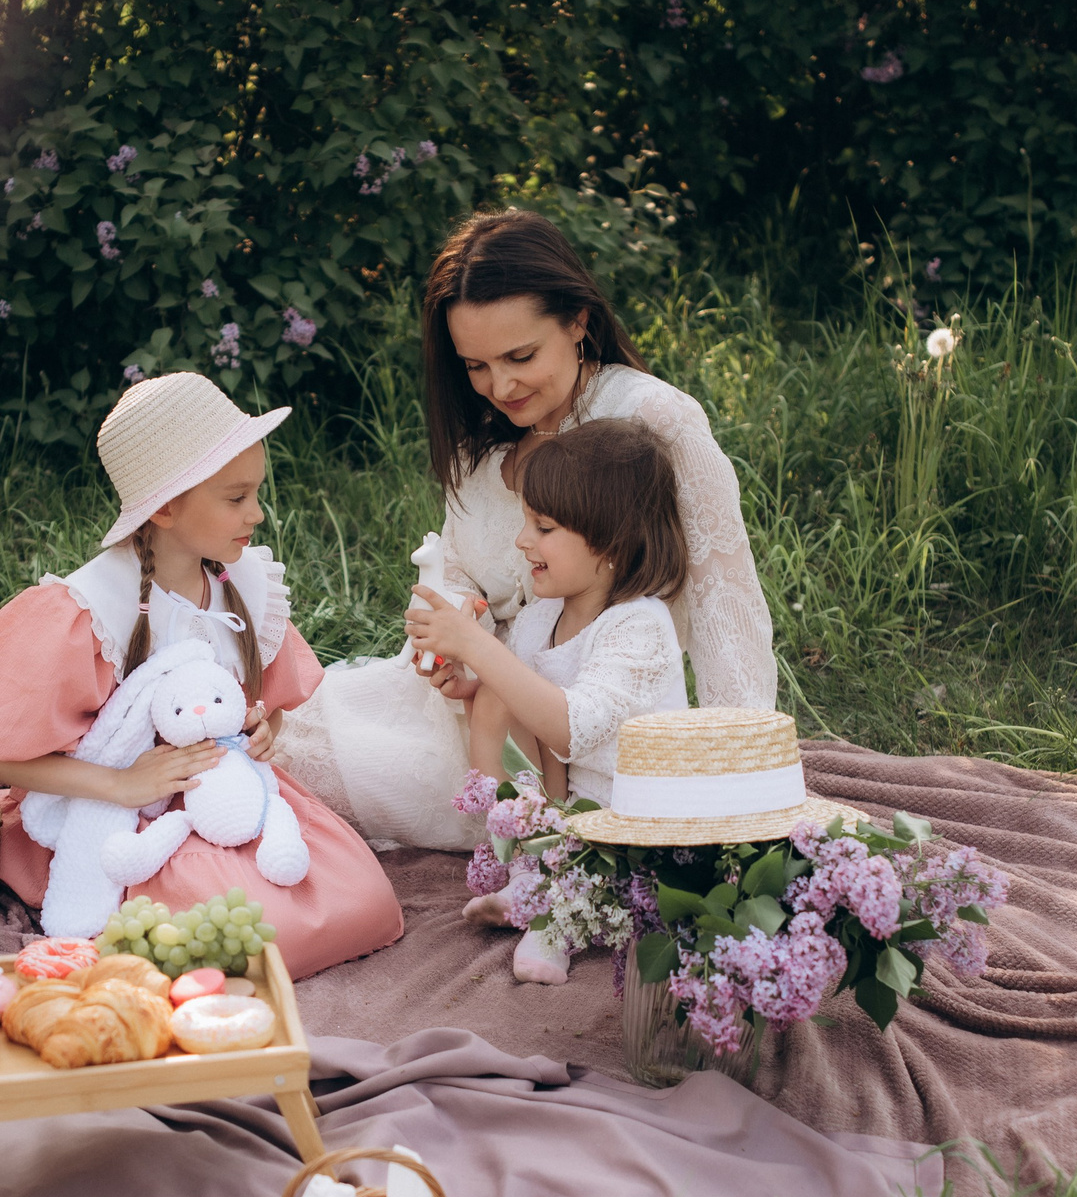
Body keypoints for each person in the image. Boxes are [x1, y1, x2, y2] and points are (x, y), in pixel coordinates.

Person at [271, 208, 775, 850]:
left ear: (578, 322)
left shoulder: (651, 421)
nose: (499, 386)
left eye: (520, 356)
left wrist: (749, 779)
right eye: (475, 366)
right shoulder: (479, 447)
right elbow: (458, 571)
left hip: (574, 738)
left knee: (305, 776)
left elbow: (724, 607)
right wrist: (453, 638)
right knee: (281, 728)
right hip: (476, 700)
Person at [0, 372, 402, 979]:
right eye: (236, 498)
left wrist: (264, 727)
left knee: (359, 898)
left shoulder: (243, 585)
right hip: (133, 814)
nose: (257, 513)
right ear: (167, 506)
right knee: (264, 934)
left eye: (256, 492)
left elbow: (270, 701)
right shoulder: (94, 610)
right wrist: (122, 784)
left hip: (227, 792)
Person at [405, 420, 690, 982]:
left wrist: (478, 649)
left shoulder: (639, 626)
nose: (522, 540)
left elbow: (569, 729)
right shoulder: (543, 616)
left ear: (608, 541)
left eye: (544, 527)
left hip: (637, 827)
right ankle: (530, 873)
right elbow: (527, 706)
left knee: (501, 683)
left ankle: (555, 918)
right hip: (570, 813)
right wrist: (475, 679)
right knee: (490, 699)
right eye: (526, 522)